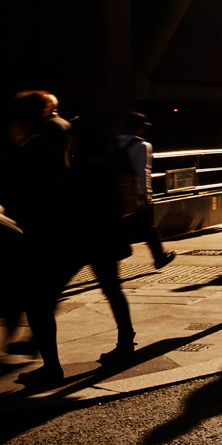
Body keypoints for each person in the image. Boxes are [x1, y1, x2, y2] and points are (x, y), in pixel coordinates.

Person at [1, 90, 78, 387]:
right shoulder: (57, 137)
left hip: (41, 234)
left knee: (38, 303)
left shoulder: (34, 147)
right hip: (62, 231)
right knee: (42, 301)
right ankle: (46, 360)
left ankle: (51, 367)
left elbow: (17, 194)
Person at [69, 116, 138, 364]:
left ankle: (33, 343)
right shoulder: (114, 154)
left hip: (86, 232)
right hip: (109, 231)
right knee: (112, 288)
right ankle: (126, 339)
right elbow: (129, 196)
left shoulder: (81, 160)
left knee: (49, 289)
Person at [118, 112, 175, 269]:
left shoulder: (114, 142)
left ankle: (120, 253)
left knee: (118, 224)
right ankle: (159, 257)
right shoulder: (142, 146)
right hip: (134, 192)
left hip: (115, 191)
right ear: (139, 128)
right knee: (148, 227)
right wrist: (146, 195)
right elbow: (143, 171)